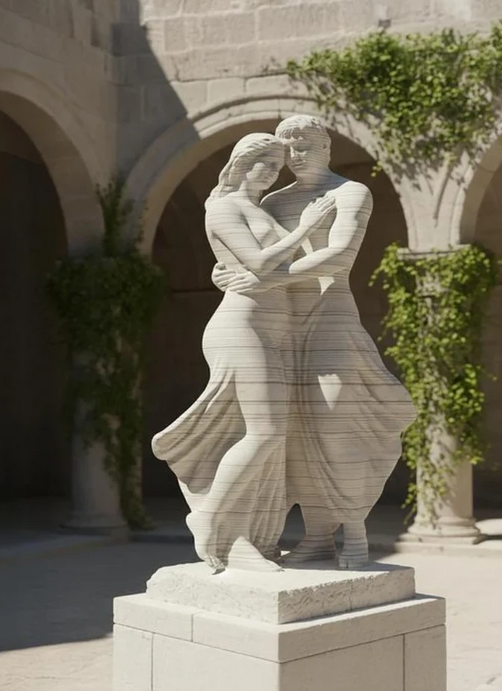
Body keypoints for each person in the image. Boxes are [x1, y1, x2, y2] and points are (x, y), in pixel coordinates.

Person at [214, 115, 416, 570]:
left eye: (305, 145)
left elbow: (340, 256)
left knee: (333, 423)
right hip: (281, 321)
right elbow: (253, 252)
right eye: (288, 148)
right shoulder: (273, 200)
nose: (295, 155)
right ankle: (318, 536)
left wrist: (263, 280)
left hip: (330, 316)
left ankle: (355, 532)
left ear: (326, 147)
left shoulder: (350, 193)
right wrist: (225, 273)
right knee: (294, 435)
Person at [151, 133, 332, 573]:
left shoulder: (261, 209)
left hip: (273, 330)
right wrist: (306, 228)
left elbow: (279, 269)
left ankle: (243, 537)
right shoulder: (223, 208)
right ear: (240, 164)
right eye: (264, 162)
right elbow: (260, 262)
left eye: (277, 164)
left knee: (270, 436)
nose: (271, 171)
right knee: (264, 433)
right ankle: (210, 518)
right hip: (241, 328)